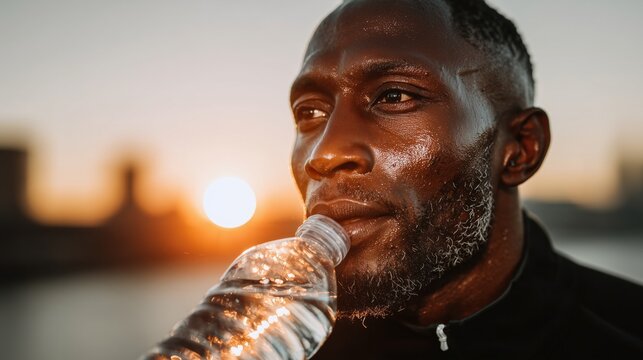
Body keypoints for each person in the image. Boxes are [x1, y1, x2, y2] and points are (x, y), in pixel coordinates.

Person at [288, 0, 643, 358]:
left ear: (520, 148)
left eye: (393, 96)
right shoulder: (275, 342)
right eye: (310, 112)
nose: (325, 153)